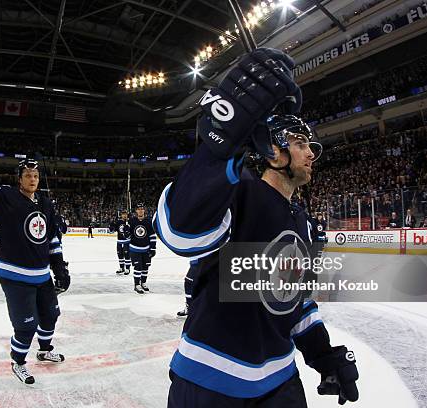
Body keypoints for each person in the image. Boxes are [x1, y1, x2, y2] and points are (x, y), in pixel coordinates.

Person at [153, 48, 358, 407]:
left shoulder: (302, 220)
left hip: (280, 382)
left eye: (310, 145)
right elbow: (178, 233)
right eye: (299, 144)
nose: (311, 153)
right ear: (272, 151)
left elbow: (296, 300)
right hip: (210, 382)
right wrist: (218, 147)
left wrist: (322, 354)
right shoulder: (239, 191)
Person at [0, 134, 70, 385]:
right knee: (26, 325)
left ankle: (44, 351)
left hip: (42, 274)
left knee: (50, 315)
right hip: (14, 274)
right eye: (27, 176)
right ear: (19, 179)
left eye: (35, 176)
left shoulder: (45, 202)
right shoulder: (5, 196)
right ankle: (18, 362)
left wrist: (60, 268)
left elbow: (51, 238)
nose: (32, 180)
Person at [129, 203, 156, 294]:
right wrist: (126, 232)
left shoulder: (149, 221)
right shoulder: (131, 221)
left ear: (144, 210)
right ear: (136, 211)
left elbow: (152, 235)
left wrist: (153, 248)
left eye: (142, 209)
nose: (140, 210)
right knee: (138, 267)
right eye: (138, 209)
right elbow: (128, 235)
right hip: (135, 249)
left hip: (146, 249)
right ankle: (137, 285)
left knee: (145, 267)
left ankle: (143, 282)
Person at [109, 210, 131, 275]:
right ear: (121, 215)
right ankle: (121, 268)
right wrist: (111, 226)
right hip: (119, 242)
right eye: (123, 214)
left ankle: (127, 268)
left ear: (127, 215)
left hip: (127, 241)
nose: (124, 215)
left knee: (127, 255)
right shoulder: (118, 222)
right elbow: (112, 231)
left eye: (125, 214)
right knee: (120, 255)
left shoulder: (130, 221)